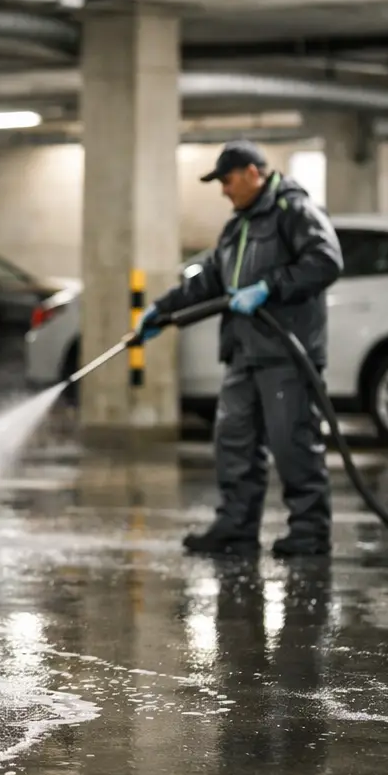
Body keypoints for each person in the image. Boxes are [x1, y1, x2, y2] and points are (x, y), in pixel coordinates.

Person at [140, 140, 343, 558]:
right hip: (243, 352)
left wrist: (269, 287)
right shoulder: (237, 227)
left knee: (293, 443)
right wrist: (161, 311)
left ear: (253, 172)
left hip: (287, 353)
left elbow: (325, 261)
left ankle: (308, 532)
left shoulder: (293, 211)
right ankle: (236, 528)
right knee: (234, 443)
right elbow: (209, 281)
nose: (223, 190)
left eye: (227, 180)